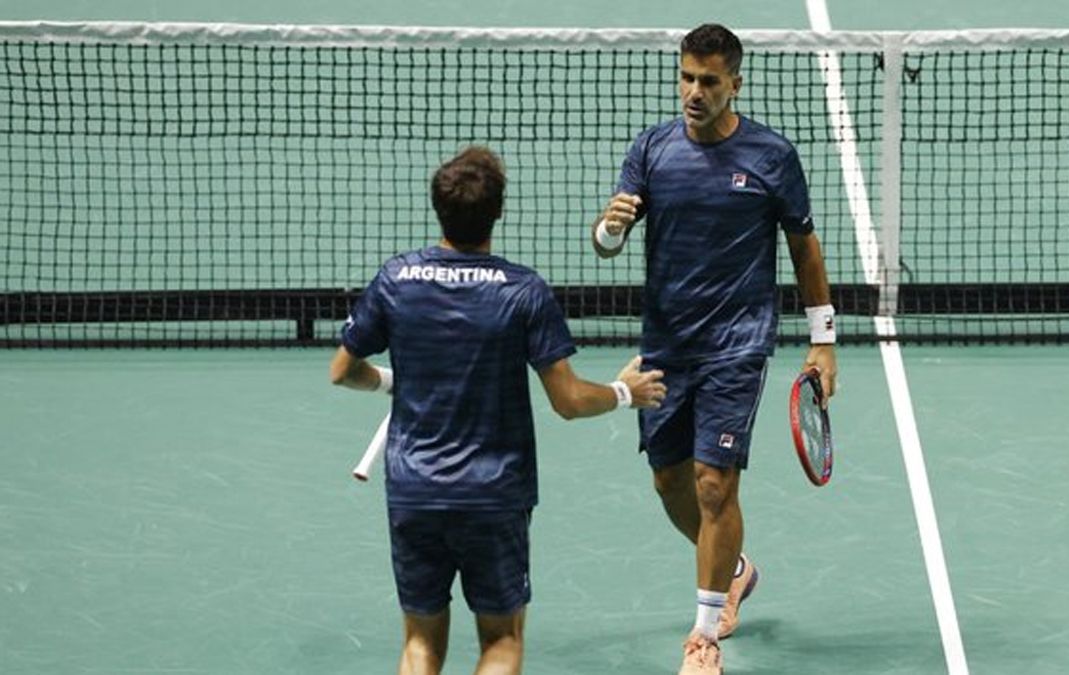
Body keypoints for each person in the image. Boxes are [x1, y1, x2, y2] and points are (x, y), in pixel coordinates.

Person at [332, 146, 666, 675]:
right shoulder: (524, 292)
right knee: (502, 643)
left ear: (438, 209)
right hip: (493, 495)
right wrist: (625, 392)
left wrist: (393, 383)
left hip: (415, 491)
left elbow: (343, 370)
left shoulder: (396, 279)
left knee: (420, 645)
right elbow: (570, 401)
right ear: (499, 212)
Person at [590, 23, 839, 674]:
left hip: (737, 342)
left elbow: (803, 245)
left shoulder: (772, 156)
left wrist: (823, 339)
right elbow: (606, 239)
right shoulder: (651, 149)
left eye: (708, 81)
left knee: (712, 482)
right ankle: (734, 568)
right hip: (666, 344)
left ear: (735, 83)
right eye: (686, 78)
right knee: (669, 478)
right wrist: (608, 229)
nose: (693, 92)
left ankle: (704, 638)